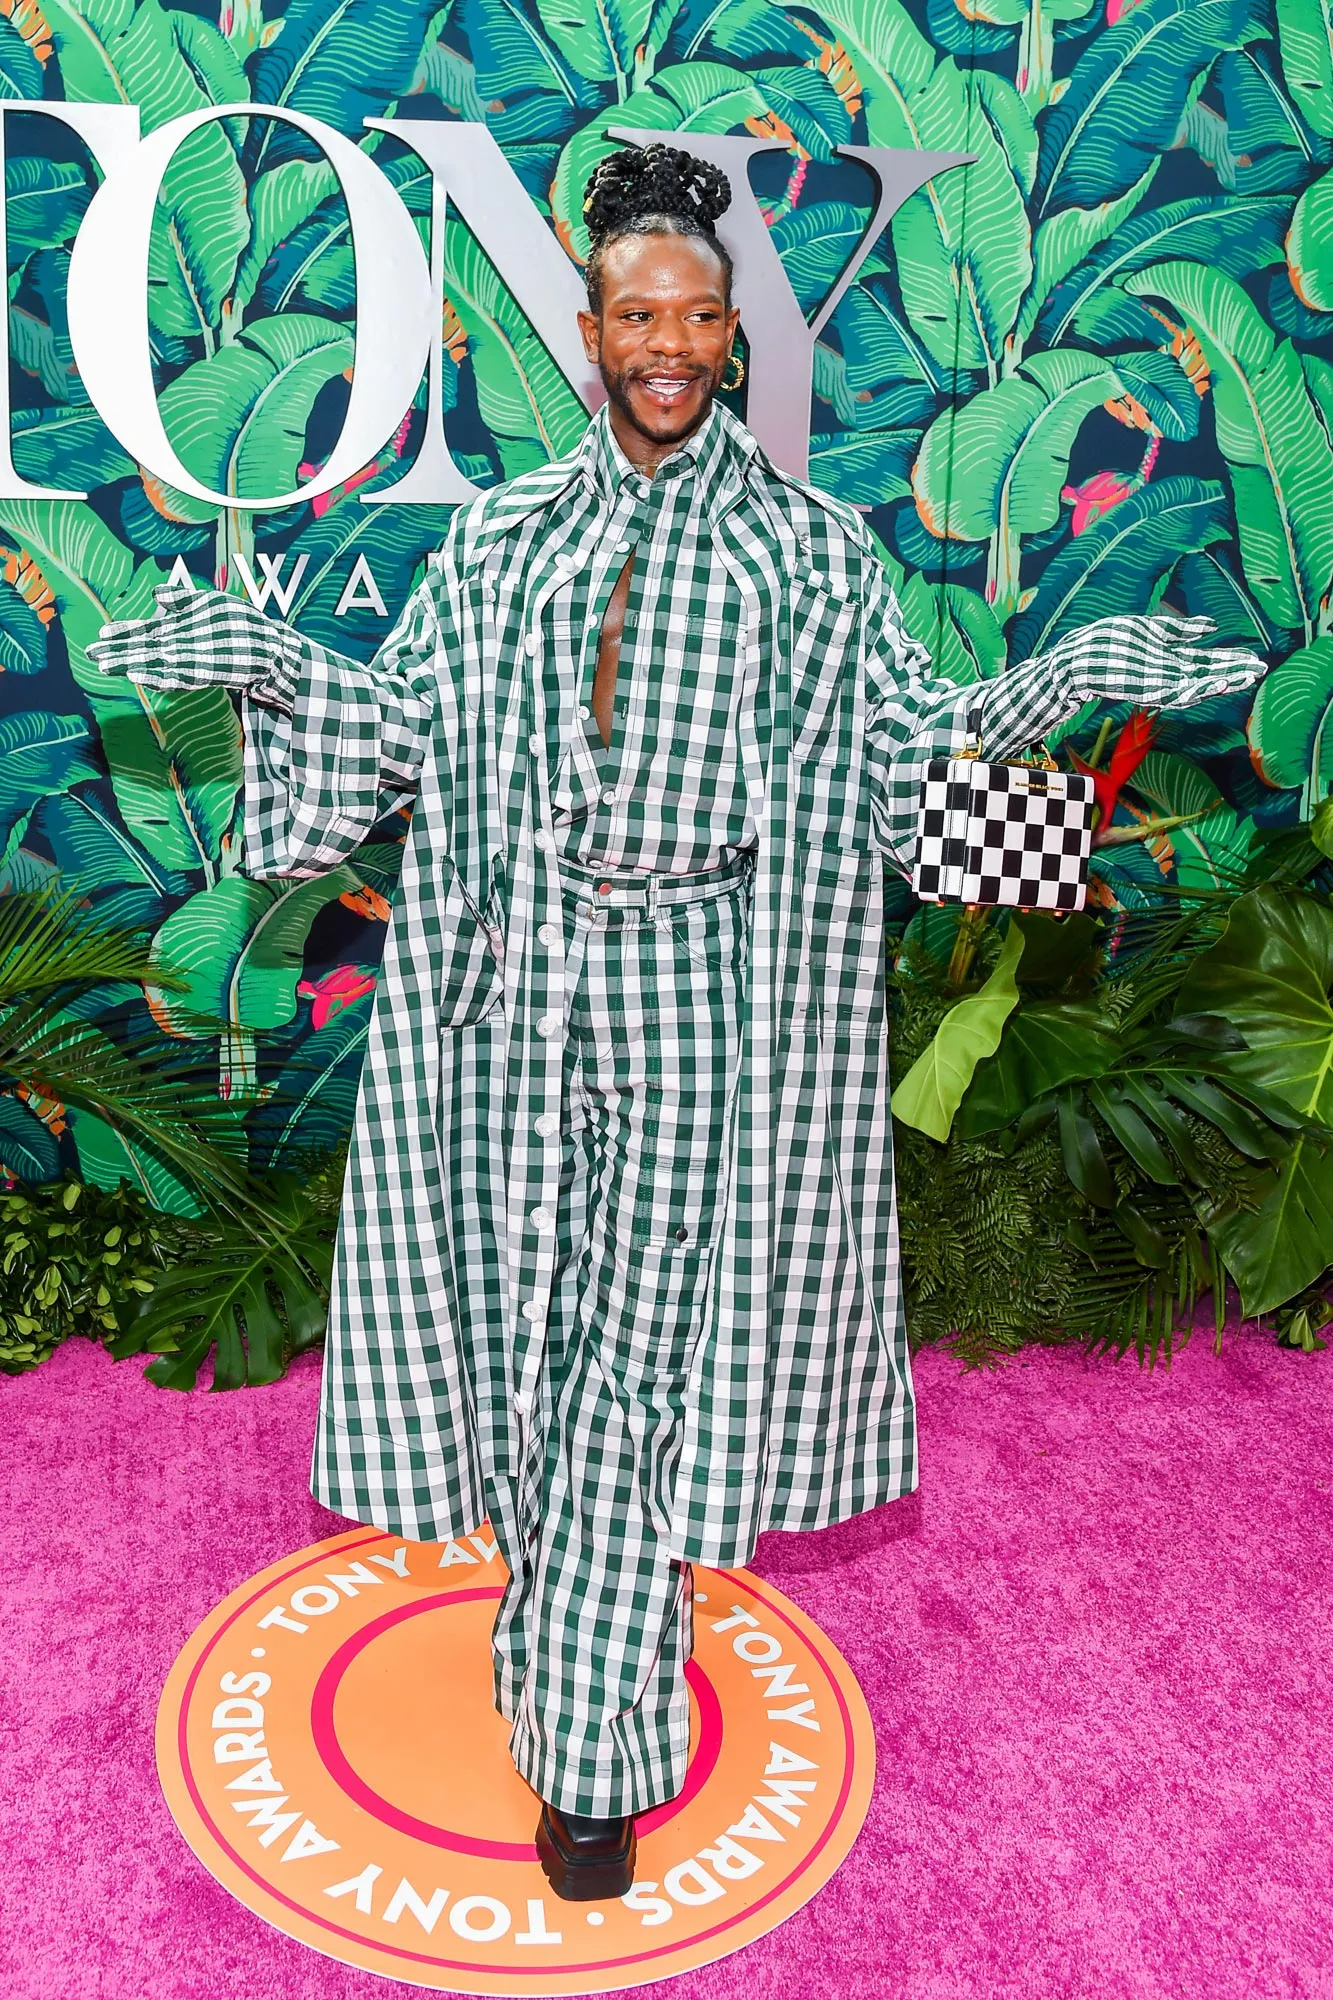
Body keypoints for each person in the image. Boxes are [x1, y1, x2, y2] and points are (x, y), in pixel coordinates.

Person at [90, 142, 1264, 1902]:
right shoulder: (498, 544)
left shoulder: (808, 554)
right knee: (529, 1343)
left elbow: (906, 772)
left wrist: (1068, 685)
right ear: (589, 333)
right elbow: (402, 737)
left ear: (730, 336)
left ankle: (594, 1740)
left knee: (643, 1368)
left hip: (714, 1007)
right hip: (513, 1004)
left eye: (697, 318)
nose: (666, 345)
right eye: (635, 316)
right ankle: (569, 1627)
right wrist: (259, 665)